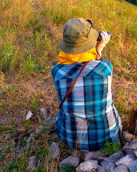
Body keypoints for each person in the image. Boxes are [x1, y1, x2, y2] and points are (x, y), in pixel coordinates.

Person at [51, 18, 122, 152]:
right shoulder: (105, 68)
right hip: (108, 137)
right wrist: (99, 48)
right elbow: (95, 65)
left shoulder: (57, 72)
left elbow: (75, 67)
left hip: (71, 139)